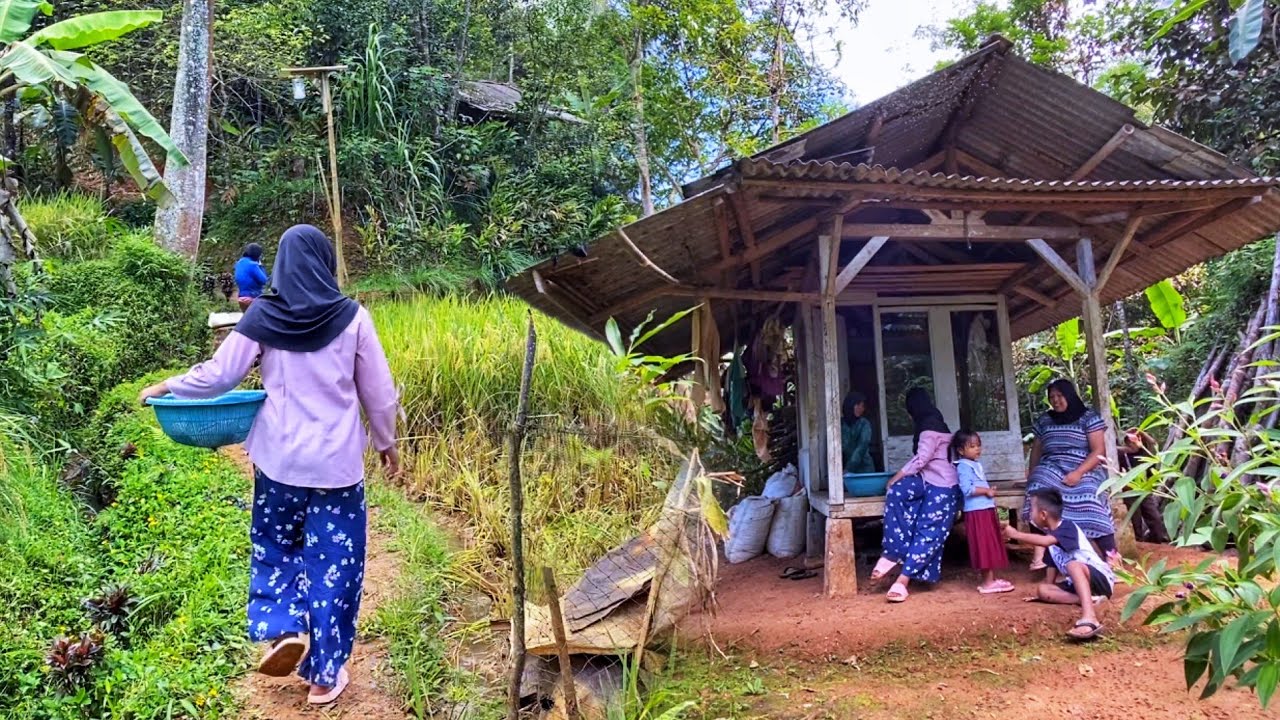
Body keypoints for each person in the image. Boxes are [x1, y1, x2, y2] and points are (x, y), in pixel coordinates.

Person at [138, 225, 399, 705]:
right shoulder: (353, 318)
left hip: (278, 463)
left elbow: (220, 375)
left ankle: (284, 629)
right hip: (337, 469)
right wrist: (387, 444)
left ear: (279, 265)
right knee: (336, 564)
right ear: (324, 263)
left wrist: (168, 386)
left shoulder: (262, 317)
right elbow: (379, 395)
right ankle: (324, 675)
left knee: (276, 547)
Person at [869, 388, 960, 603]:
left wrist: (896, 476)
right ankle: (892, 552)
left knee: (927, 530)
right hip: (925, 480)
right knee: (898, 492)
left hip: (944, 486)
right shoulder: (929, 421)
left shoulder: (930, 425)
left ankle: (903, 580)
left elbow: (922, 458)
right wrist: (897, 483)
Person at [1021, 379, 1117, 571]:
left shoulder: (1088, 417)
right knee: (1038, 490)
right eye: (1052, 397)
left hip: (1085, 467)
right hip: (1052, 465)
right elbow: (1037, 451)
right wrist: (1032, 474)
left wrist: (1078, 473)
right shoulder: (1044, 420)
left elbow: (1098, 451)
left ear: (1070, 395)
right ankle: (1041, 554)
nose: (1055, 401)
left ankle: (1112, 558)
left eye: (1059, 396)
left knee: (1090, 496)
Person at [1004, 488, 1114, 641]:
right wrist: (1049, 593)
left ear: (1043, 515)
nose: (1030, 514)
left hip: (1100, 580)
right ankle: (1092, 600)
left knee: (1073, 565)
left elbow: (1046, 541)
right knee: (1042, 589)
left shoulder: (1067, 527)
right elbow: (1052, 567)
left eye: (1032, 510)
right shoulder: (1051, 539)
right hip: (1081, 586)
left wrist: (1016, 535)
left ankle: (1090, 618)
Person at [952, 430, 1012, 594]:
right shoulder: (963, 466)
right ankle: (987, 583)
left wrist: (987, 490)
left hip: (984, 509)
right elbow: (967, 489)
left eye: (979, 445)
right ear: (960, 450)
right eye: (972, 446)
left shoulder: (975, 464)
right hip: (976, 511)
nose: (977, 449)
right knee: (983, 545)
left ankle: (991, 579)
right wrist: (986, 492)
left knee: (989, 543)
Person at [1118, 428, 1170, 544]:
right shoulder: (1121, 454)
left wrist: (1140, 432)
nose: (1132, 444)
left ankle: (1156, 541)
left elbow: (1153, 444)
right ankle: (1139, 542)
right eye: (1130, 441)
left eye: (1134, 441)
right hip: (1129, 491)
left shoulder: (1144, 452)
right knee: (1135, 520)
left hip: (1144, 489)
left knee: (1154, 518)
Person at [841, 391, 876, 474]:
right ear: (850, 405)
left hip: (865, 469)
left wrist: (849, 468)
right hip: (845, 469)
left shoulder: (864, 424)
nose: (862, 409)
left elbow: (862, 447)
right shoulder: (840, 424)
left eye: (862, 406)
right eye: (858, 405)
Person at [235, 242, 270, 310]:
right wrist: (260, 266)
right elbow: (264, 281)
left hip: (241, 297)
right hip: (253, 297)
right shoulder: (253, 265)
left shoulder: (239, 263)